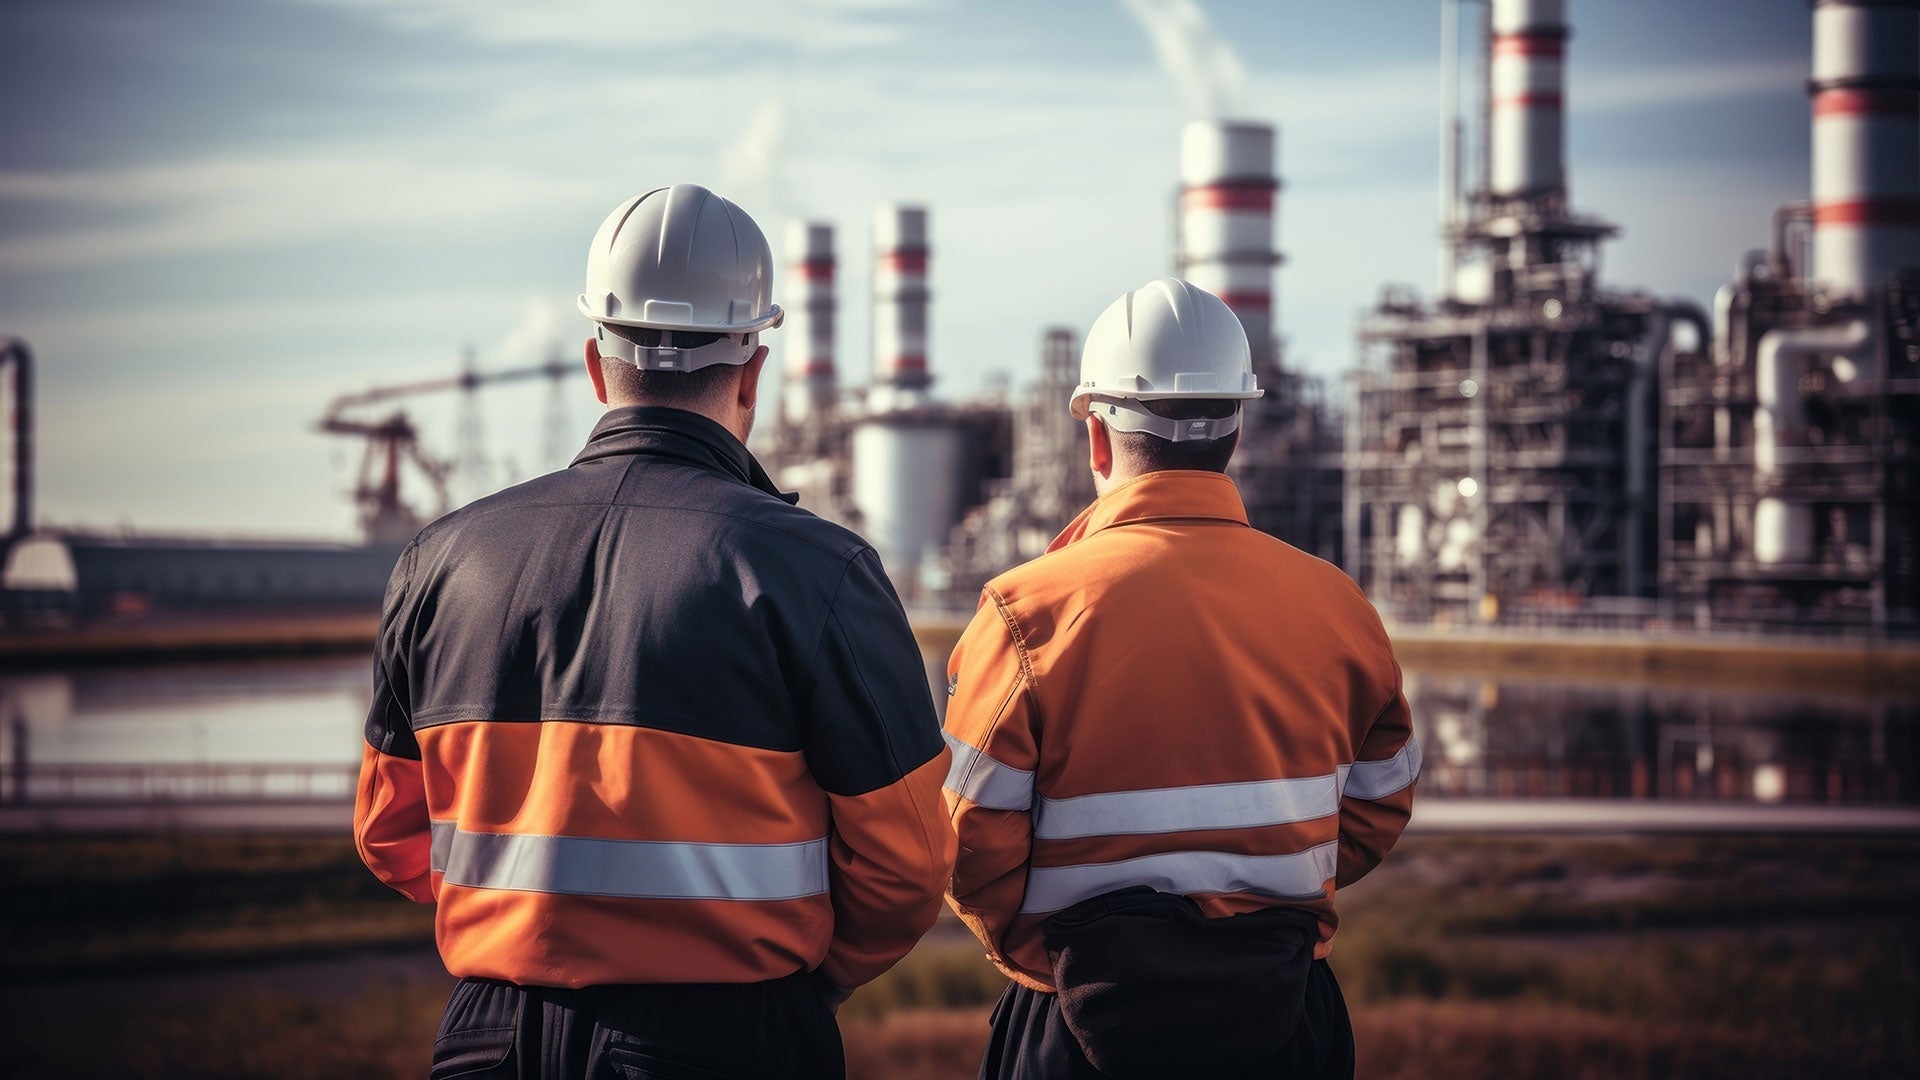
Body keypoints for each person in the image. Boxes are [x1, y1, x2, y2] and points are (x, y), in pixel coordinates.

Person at [353, 183, 954, 1080]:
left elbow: (388, 831)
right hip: (724, 1036)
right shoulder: (813, 572)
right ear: (753, 371)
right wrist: (803, 979)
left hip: (488, 1040)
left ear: (597, 369)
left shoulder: (439, 561)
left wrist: (532, 916)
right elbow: (907, 864)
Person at [942, 278, 1419, 1080]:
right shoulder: (1338, 606)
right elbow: (1380, 804)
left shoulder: (1026, 613)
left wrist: (1054, 961)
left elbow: (966, 845)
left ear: (1097, 439)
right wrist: (1275, 907)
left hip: (1077, 1027)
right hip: (1286, 1015)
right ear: (1236, 427)